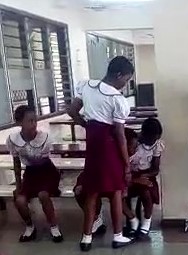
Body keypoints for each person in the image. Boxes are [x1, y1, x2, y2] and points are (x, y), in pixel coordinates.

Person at [68, 56, 134, 251]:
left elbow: (72, 110)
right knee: (115, 192)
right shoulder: (117, 99)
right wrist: (127, 165)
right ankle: (118, 236)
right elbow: (120, 136)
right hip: (109, 146)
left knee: (92, 192)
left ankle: (86, 238)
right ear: (119, 74)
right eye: (127, 79)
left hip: (93, 145)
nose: (126, 84)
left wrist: (85, 124)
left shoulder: (87, 86)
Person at [6, 105, 63, 243]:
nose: (34, 124)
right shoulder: (13, 139)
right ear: (20, 123)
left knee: (43, 195)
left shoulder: (44, 138)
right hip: (30, 173)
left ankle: (54, 227)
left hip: (47, 171)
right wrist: (18, 185)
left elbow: (44, 161)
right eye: (30, 121)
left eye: (35, 120)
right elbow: (16, 162)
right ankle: (29, 227)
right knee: (19, 199)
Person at [123, 118, 164, 237]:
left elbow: (155, 169)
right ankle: (132, 220)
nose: (153, 142)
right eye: (151, 139)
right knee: (120, 194)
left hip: (147, 175)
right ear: (143, 134)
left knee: (146, 192)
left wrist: (144, 176)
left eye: (156, 139)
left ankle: (146, 221)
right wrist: (134, 178)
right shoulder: (133, 142)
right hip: (128, 174)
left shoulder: (157, 145)